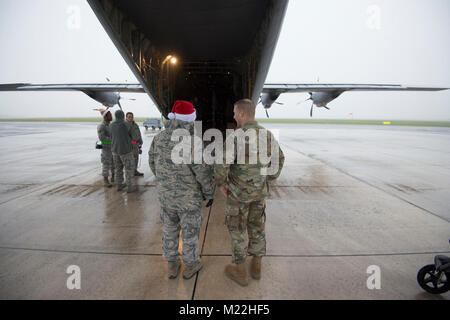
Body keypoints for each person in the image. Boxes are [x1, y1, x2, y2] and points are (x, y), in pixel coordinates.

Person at [215, 98, 285, 286]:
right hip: (259, 193)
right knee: (257, 227)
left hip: (238, 195)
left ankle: (240, 271)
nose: (233, 115)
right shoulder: (267, 135)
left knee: (237, 230)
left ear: (243, 114)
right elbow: (279, 159)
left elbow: (221, 164)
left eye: (235, 112)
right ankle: (256, 265)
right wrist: (268, 178)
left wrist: (221, 183)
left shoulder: (235, 136)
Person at [148, 100, 214, 280]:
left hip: (166, 198)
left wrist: (166, 183)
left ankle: (172, 264)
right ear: (190, 120)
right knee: (189, 233)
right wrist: (209, 193)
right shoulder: (192, 142)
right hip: (189, 200)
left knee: (169, 230)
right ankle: (191, 265)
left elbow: (152, 163)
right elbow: (202, 172)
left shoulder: (159, 138)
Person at [111, 109, 138, 193]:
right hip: (126, 151)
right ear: (123, 116)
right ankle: (130, 187)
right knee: (129, 169)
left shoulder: (111, 125)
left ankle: (119, 185)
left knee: (118, 169)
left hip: (115, 151)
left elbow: (111, 137)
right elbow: (135, 138)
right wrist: (132, 144)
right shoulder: (127, 125)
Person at [97, 109, 114, 187]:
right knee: (106, 164)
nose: (111, 116)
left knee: (113, 164)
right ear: (105, 116)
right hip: (106, 149)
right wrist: (113, 141)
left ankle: (113, 177)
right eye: (110, 115)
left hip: (113, 148)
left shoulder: (110, 125)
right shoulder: (102, 126)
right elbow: (102, 138)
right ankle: (106, 179)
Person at [126, 112, 144, 176]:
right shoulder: (125, 125)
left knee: (136, 158)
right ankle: (130, 172)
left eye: (131, 117)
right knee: (130, 160)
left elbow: (138, 133)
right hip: (129, 146)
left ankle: (135, 171)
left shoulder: (135, 125)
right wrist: (134, 142)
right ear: (126, 118)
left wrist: (140, 141)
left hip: (136, 145)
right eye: (129, 117)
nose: (130, 118)